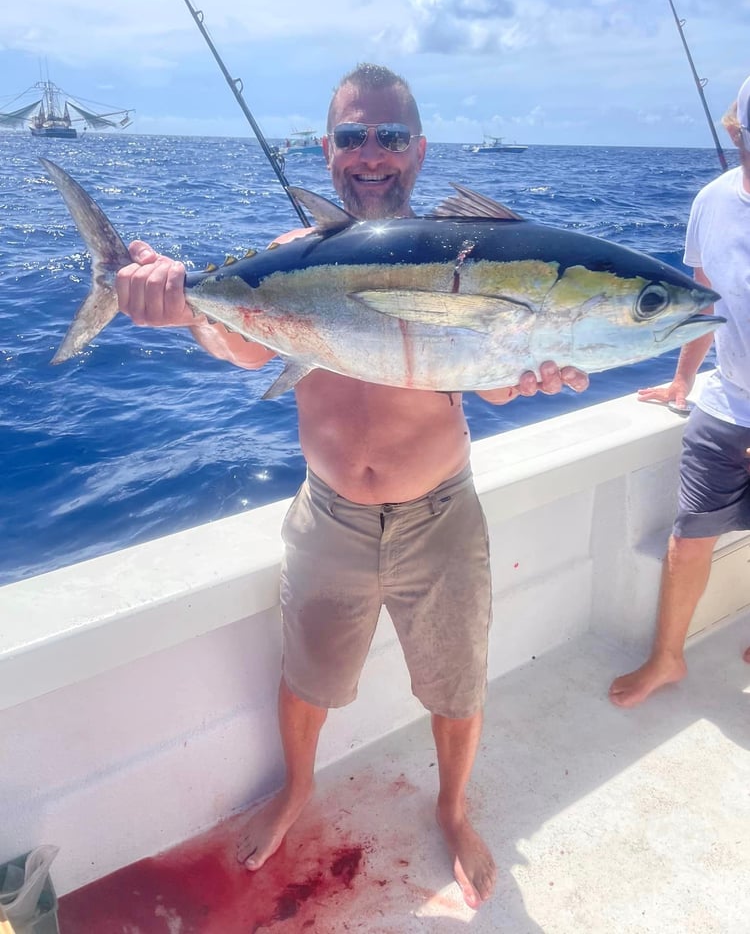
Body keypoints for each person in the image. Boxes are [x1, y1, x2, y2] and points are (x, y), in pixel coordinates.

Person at [115, 63, 589, 909]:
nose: (371, 154)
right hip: (328, 515)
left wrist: (526, 368)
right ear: (327, 150)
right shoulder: (289, 260)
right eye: (352, 137)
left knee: (457, 679)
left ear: (419, 149)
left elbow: (483, 378)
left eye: (391, 137)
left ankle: (451, 807)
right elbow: (246, 347)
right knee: (308, 678)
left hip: (439, 514)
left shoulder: (470, 259)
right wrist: (186, 310)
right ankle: (297, 789)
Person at [609, 76, 750, 709]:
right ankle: (666, 659)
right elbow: (704, 301)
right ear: (735, 130)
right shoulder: (710, 202)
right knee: (688, 536)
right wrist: (684, 379)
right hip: (726, 405)